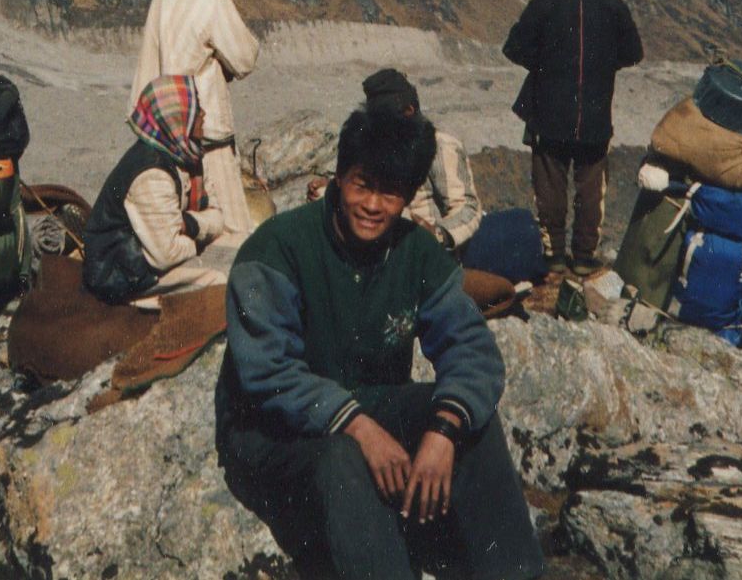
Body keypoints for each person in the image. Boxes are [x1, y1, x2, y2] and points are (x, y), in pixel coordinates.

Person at [217, 106, 543, 580]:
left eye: (390, 192)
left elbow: (471, 348)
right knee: (344, 458)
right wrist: (360, 427)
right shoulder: (277, 248)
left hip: (363, 408)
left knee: (467, 419)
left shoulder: (417, 252)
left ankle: (516, 573)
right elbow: (267, 373)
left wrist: (445, 429)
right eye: (361, 184)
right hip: (269, 436)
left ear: (409, 196)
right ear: (339, 177)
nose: (372, 205)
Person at [503, 0, 643, 274]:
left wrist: (544, 64)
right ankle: (583, 257)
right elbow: (633, 53)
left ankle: (553, 256)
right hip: (595, 116)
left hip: (548, 114)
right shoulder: (612, 5)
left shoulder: (544, 4)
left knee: (549, 186)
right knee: (591, 188)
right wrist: (603, 66)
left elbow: (514, 48)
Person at [132, 0, 262, 237]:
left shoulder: (161, 3)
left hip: (161, 133)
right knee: (226, 228)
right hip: (206, 134)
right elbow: (244, 56)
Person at [82, 74, 236, 304]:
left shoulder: (187, 154)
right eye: (196, 109)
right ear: (176, 117)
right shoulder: (151, 174)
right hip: (127, 272)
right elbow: (167, 254)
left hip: (164, 253)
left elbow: (217, 217)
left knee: (248, 246)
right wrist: (200, 234)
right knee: (219, 281)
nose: (203, 114)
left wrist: (189, 224)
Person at [360, 69, 483, 254]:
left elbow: (467, 208)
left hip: (428, 253)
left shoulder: (441, 145)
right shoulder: (376, 144)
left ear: (408, 111)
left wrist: (438, 235)